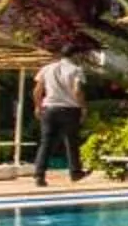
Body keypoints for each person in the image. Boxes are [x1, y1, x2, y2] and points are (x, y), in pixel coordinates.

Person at [30, 42, 95, 187]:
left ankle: (39, 175)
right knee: (71, 142)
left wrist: (37, 106)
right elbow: (77, 91)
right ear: (75, 55)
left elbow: (37, 90)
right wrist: (83, 107)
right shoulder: (76, 70)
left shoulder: (47, 68)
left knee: (46, 142)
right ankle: (75, 172)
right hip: (69, 109)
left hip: (49, 108)